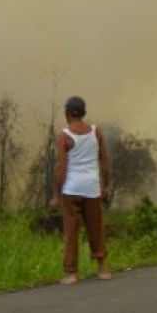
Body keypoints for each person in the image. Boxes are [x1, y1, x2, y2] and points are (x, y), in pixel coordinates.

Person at [49, 96, 111, 284]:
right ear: (83, 113)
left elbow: (61, 168)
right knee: (96, 228)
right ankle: (102, 269)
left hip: (72, 189)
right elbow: (105, 163)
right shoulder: (96, 132)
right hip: (92, 188)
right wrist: (105, 186)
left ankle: (71, 273)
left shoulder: (64, 136)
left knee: (71, 230)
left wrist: (55, 195)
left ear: (68, 113)